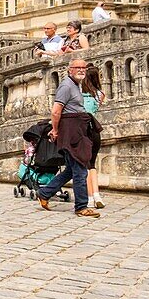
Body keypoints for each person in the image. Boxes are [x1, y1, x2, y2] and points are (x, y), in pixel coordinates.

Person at [37, 59, 101, 217]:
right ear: (69, 70)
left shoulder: (75, 85)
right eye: (77, 68)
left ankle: (44, 193)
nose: (81, 70)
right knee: (80, 170)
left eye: (83, 68)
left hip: (77, 130)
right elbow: (56, 111)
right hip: (71, 133)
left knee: (72, 170)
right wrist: (55, 130)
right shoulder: (66, 86)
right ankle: (81, 206)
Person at [81, 64, 106, 209]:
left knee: (84, 165)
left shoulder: (79, 94)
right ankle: (97, 194)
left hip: (83, 130)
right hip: (95, 130)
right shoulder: (100, 94)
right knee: (92, 165)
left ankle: (90, 197)